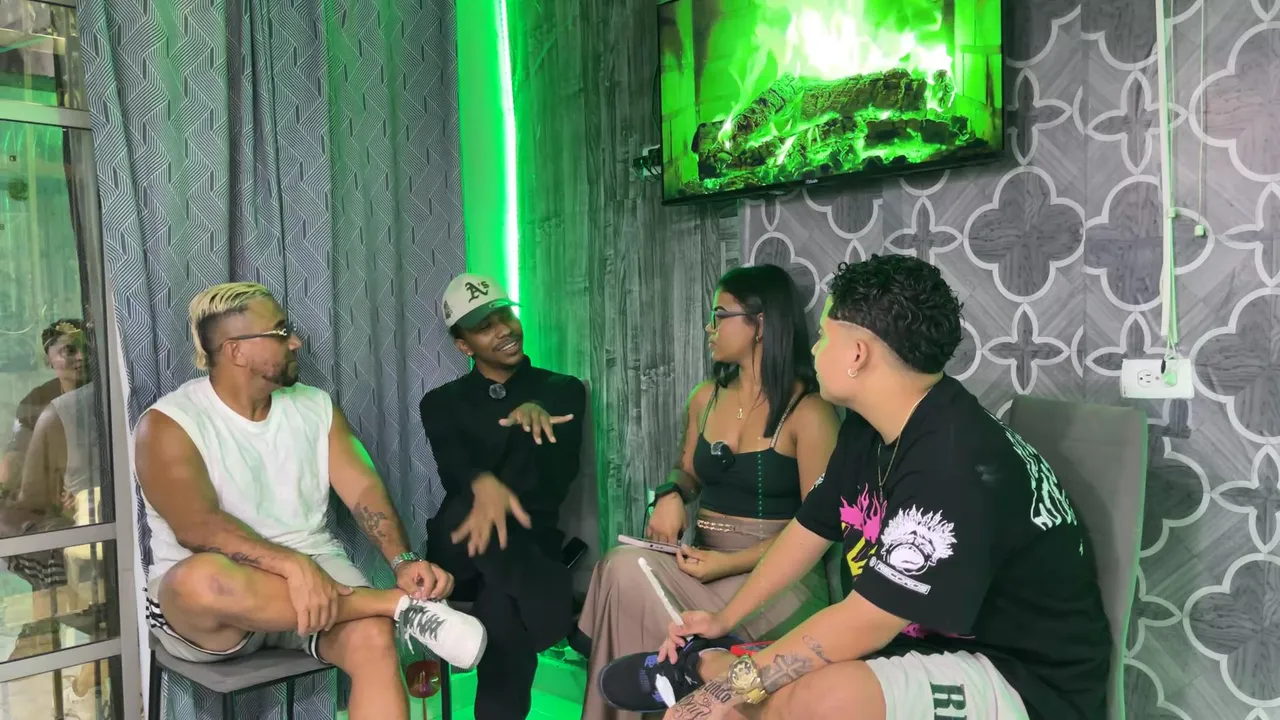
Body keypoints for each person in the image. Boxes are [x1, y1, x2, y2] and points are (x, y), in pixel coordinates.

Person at [623, 255, 1112, 719]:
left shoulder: (953, 464)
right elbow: (810, 527)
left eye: (823, 337)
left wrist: (726, 690)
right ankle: (710, 668)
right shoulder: (869, 428)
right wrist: (725, 620)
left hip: (1019, 677)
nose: (814, 350)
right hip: (920, 644)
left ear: (857, 354)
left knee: (815, 699)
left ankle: (710, 673)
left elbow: (866, 621)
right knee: (763, 685)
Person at [135, 282, 485, 720]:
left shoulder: (316, 407)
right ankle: (395, 605)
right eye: (280, 331)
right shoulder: (168, 423)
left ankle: (389, 606)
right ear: (235, 350)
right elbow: (197, 527)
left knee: (374, 639)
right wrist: (291, 565)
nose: (295, 342)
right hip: (222, 609)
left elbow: (364, 492)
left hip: (319, 582)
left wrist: (402, 561)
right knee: (198, 581)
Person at [583, 264, 840, 720]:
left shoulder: (810, 411)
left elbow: (821, 527)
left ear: (761, 324)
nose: (710, 327)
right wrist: (670, 494)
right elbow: (686, 471)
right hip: (703, 563)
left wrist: (729, 563)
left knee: (631, 579)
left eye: (720, 315)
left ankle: (682, 690)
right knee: (623, 565)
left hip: (777, 578)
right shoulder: (706, 397)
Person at [420, 273, 588, 720]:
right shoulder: (440, 402)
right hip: (461, 550)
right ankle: (555, 601)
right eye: (485, 326)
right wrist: (484, 485)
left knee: (501, 609)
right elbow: (455, 471)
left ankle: (539, 597)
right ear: (464, 345)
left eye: (505, 315)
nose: (503, 330)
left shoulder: (562, 390)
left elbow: (557, 482)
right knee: (467, 506)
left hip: (526, 542)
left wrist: (532, 420)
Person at [0, 319, 88, 499]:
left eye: (86, 348)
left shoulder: (107, 393)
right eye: (69, 351)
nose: (81, 356)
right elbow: (17, 454)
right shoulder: (36, 401)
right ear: (48, 360)